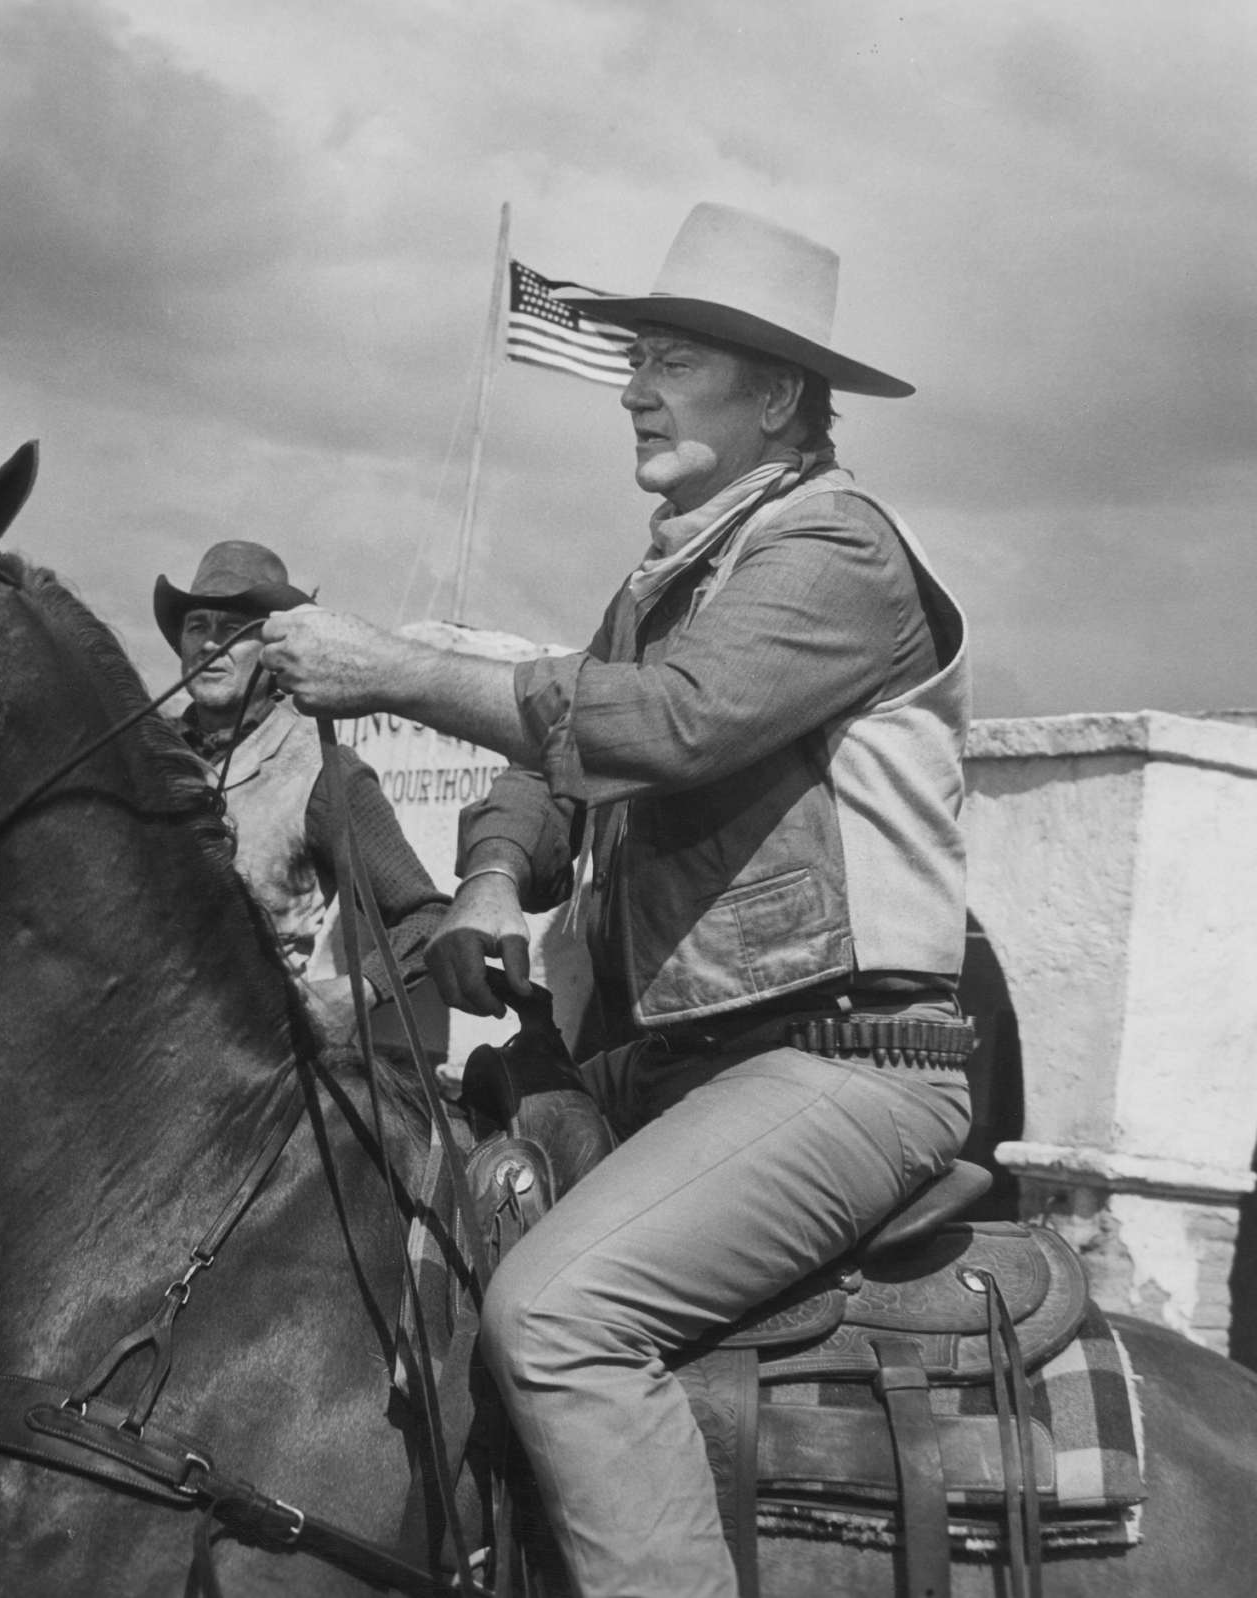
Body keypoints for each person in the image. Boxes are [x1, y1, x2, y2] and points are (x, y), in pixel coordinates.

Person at [261, 202, 975, 1598]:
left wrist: (395, 669)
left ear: (777, 398)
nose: (634, 389)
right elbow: (559, 767)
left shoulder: (836, 550)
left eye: (671, 362)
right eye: (634, 358)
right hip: (682, 1070)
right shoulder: (680, 572)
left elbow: (668, 726)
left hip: (844, 1066)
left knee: (559, 1312)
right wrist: (482, 886)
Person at [153, 540, 448, 1046]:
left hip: (252, 1057)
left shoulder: (322, 771)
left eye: (233, 630)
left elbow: (429, 920)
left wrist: (356, 995)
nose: (209, 644)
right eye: (197, 625)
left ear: (274, 649)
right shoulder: (146, 756)